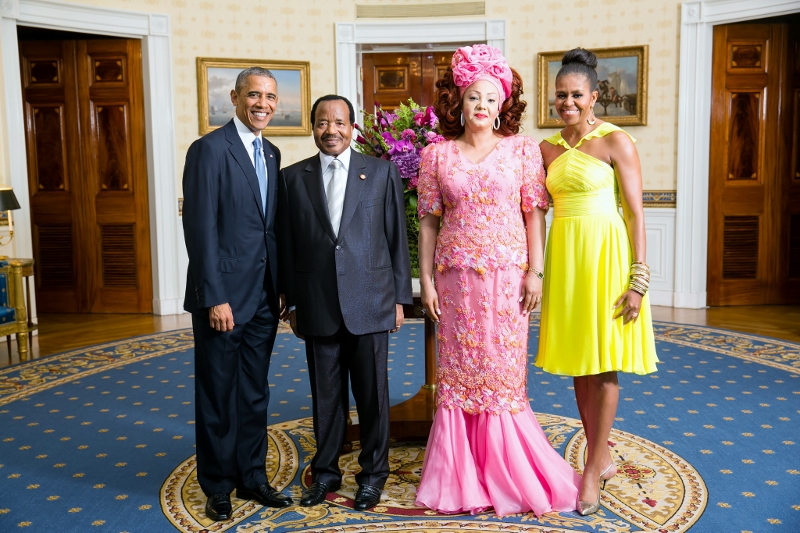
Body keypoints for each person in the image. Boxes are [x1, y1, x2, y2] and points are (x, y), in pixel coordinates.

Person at [415, 44, 580, 517]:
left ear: (503, 103)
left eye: (491, 97)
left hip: (508, 281)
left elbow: (534, 216)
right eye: (473, 97)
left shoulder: (522, 151)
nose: (482, 106)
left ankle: (508, 472)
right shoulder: (436, 155)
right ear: (459, 104)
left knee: (502, 373)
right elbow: (428, 221)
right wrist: (425, 280)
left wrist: (536, 272)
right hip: (454, 282)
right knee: (458, 375)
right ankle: (460, 476)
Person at [535, 47, 659, 516]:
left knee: (605, 364)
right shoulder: (546, 149)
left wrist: (638, 277)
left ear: (594, 96)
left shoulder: (616, 141)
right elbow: (533, 212)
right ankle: (600, 451)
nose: (567, 102)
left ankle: (591, 466)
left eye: (576, 95)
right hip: (566, 259)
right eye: (561, 95)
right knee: (579, 362)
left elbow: (634, 212)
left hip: (607, 259)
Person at [277, 95, 412, 511]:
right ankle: (327, 474)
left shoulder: (382, 172)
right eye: (321, 123)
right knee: (326, 398)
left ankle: (372, 476)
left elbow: (395, 240)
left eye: (338, 122)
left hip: (371, 301)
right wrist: (292, 301)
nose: (330, 130)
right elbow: (286, 244)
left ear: (353, 127)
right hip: (316, 303)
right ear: (313, 128)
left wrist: (399, 298)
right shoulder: (291, 178)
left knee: (373, 396)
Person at [182, 67, 292, 521]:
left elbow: (270, 230)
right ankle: (218, 485)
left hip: (264, 297)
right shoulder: (208, 150)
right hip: (223, 298)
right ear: (234, 97)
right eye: (253, 95)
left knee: (253, 393)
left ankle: (253, 476)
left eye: (269, 96)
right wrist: (215, 297)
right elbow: (200, 228)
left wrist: (282, 288)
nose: (262, 103)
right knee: (218, 394)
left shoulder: (271, 152)